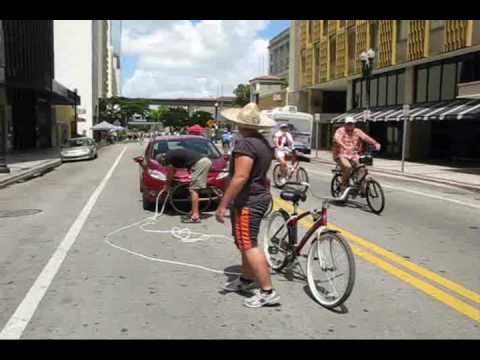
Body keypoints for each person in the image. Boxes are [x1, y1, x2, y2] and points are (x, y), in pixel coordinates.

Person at [216, 103, 280, 308]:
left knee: (248, 243)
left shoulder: (245, 145)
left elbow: (240, 176)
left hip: (249, 200)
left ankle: (267, 292)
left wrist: (223, 205)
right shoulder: (263, 142)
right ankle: (245, 279)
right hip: (257, 197)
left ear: (239, 124)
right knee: (243, 241)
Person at [157, 148, 212, 223]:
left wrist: (167, 185)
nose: (163, 165)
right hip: (203, 161)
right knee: (195, 186)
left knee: (193, 189)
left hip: (201, 163)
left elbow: (170, 172)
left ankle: (195, 217)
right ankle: (194, 210)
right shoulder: (171, 155)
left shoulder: (168, 158)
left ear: (162, 159)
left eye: (162, 163)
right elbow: (174, 170)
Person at [332, 116, 381, 192]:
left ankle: (360, 186)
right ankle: (343, 185)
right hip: (341, 154)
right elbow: (337, 138)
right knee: (348, 167)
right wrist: (343, 145)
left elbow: (365, 138)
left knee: (362, 168)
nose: (350, 125)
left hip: (354, 155)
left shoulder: (357, 131)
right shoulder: (340, 130)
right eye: (348, 124)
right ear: (345, 124)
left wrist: (375, 143)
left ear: (354, 124)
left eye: (351, 124)